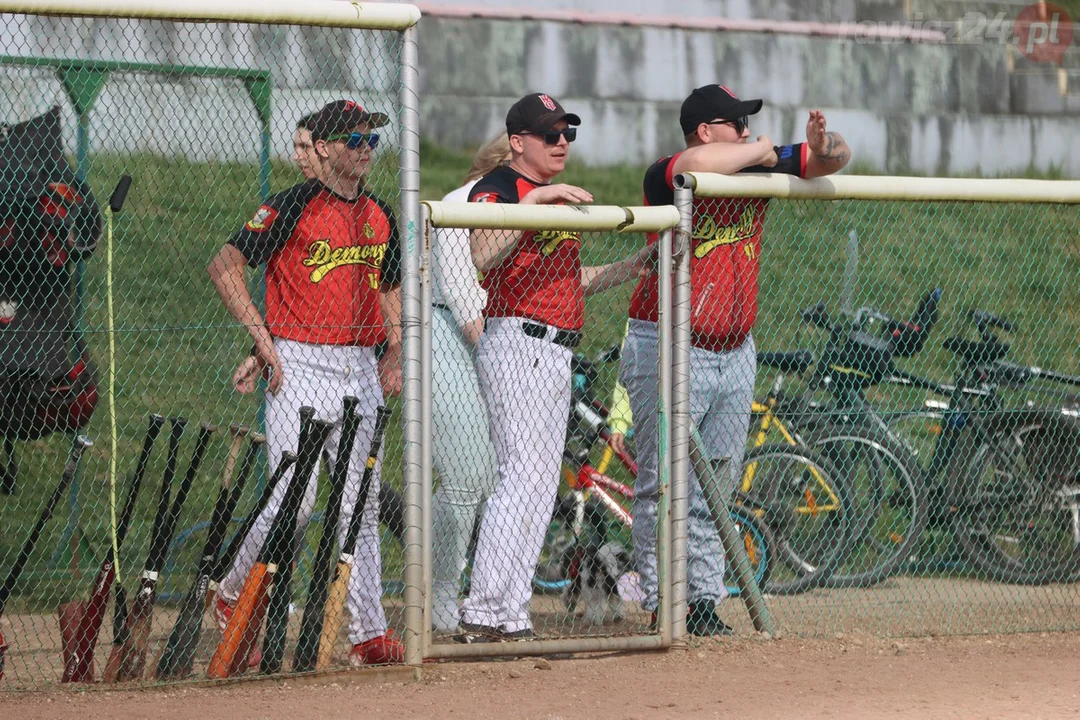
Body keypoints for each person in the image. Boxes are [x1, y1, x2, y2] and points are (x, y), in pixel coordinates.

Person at [619, 84, 851, 636]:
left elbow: (835, 159)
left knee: (716, 483)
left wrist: (822, 142)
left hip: (733, 350)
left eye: (750, 126)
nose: (747, 133)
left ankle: (701, 602)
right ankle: (660, 600)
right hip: (669, 341)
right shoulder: (669, 173)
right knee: (661, 481)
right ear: (705, 129)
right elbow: (698, 162)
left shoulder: (753, 167)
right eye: (736, 125)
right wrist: (768, 148)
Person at [207, 99, 404, 666]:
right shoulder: (291, 206)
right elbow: (224, 264)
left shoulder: (380, 214)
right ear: (321, 147)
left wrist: (395, 347)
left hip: (360, 366)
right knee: (291, 499)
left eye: (371, 139)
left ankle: (368, 633)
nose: (365, 148)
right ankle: (232, 594)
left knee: (358, 503)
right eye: (352, 138)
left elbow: (388, 285)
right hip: (299, 363)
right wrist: (261, 340)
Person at [459, 93, 655, 642]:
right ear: (518, 142)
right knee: (518, 477)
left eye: (567, 132)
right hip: (517, 340)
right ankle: (482, 609)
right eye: (550, 134)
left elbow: (575, 280)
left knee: (542, 487)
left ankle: (511, 611)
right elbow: (482, 255)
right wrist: (539, 201)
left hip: (555, 349)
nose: (562, 141)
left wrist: (634, 266)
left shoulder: (545, 197)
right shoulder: (499, 188)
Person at [430, 133, 511, 632]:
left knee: (485, 477)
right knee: (465, 476)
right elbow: (463, 294)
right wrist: (503, 359)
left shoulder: (529, 203)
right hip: (446, 330)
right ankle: (439, 591)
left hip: (495, 333)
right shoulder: (467, 201)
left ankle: (466, 585)